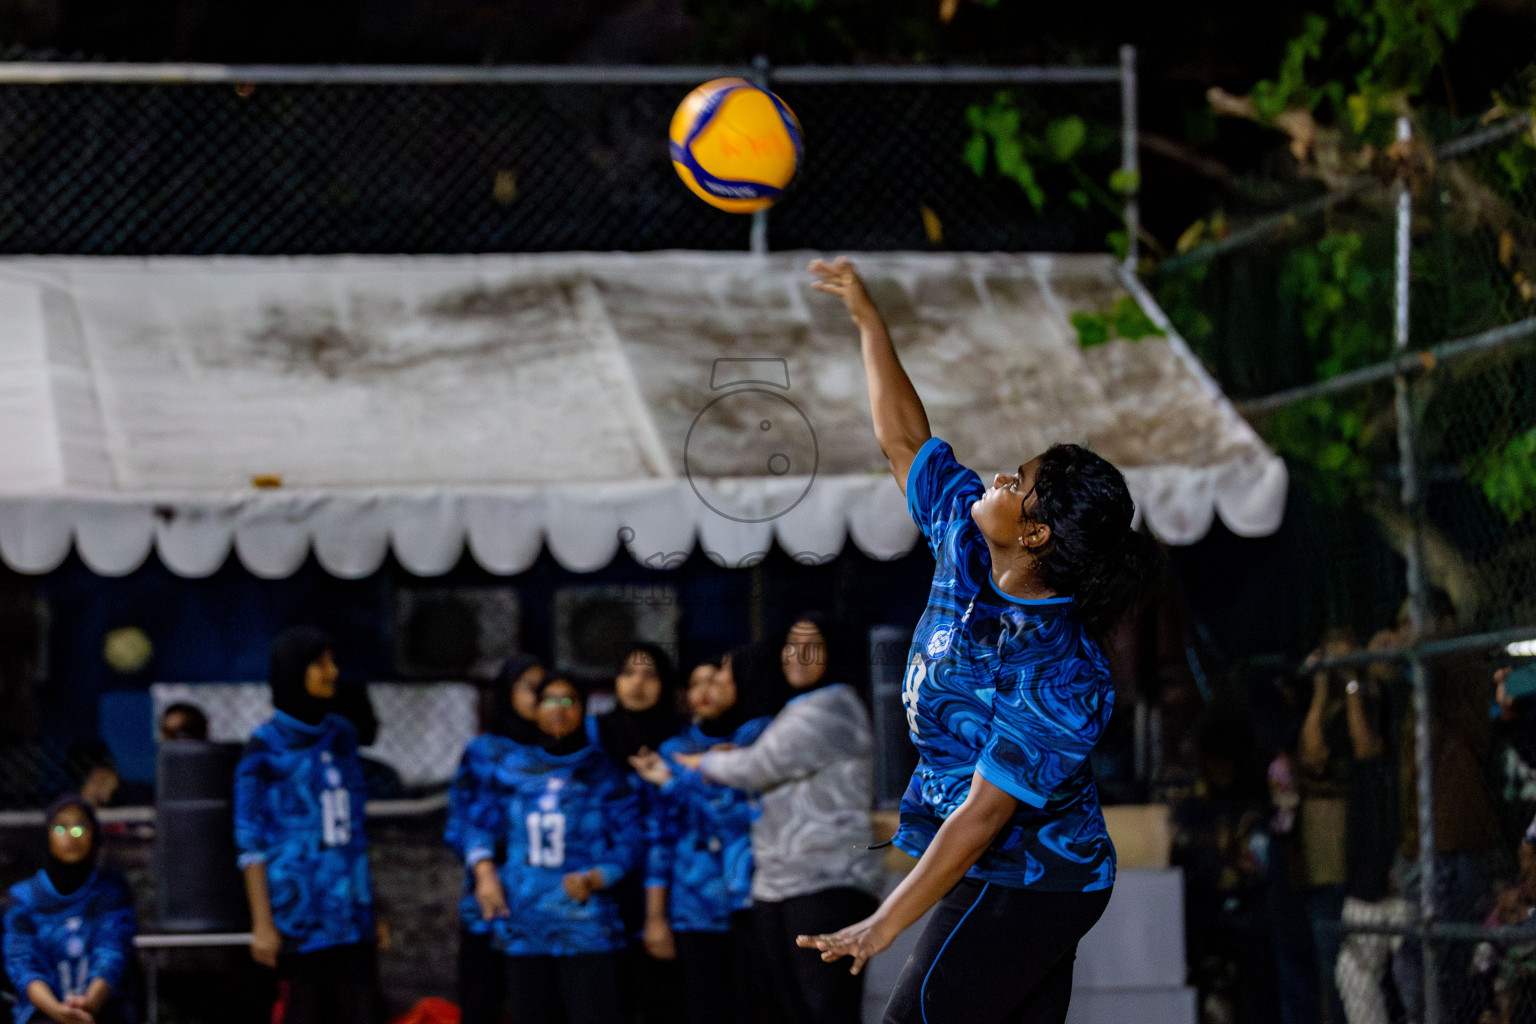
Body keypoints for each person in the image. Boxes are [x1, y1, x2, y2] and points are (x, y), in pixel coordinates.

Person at [793, 256, 1160, 1024]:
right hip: (983, 863)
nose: (993, 477)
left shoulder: (1064, 675)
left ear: (1035, 533)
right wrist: (869, 319)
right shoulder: (966, 537)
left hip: (1041, 881)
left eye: (1013, 482)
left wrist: (881, 925)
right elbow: (903, 441)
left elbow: (986, 815)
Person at [674, 616, 882, 1024]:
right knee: (793, 1009)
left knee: (826, 1008)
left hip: (827, 883)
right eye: (791, 645)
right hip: (784, 883)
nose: (798, 657)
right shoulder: (796, 709)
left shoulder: (831, 708)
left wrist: (704, 761)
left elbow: (759, 766)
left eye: (812, 646)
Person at [463, 673, 643, 1024]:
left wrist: (597, 878)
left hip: (584, 926)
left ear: (583, 710)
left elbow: (631, 839)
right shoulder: (511, 769)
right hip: (523, 924)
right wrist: (485, 874)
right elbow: (479, 824)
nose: (557, 709)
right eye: (549, 699)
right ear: (535, 709)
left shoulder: (603, 773)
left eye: (568, 700)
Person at [233, 626, 383, 1024]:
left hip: (349, 914)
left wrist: (372, 909)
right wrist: (262, 924)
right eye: (320, 663)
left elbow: (355, 832)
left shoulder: (342, 735)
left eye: (332, 661)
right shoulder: (264, 748)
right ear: (293, 671)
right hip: (297, 916)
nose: (332, 671)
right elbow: (250, 843)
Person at [630, 649, 780, 1024]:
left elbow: (737, 815)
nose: (704, 690)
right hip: (693, 908)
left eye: (715, 679)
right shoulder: (672, 750)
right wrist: (655, 918)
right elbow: (660, 840)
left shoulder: (758, 740)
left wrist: (672, 783)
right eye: (695, 682)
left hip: (754, 902)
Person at [445, 653, 545, 1024]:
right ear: (507, 693)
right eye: (529, 688)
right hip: (492, 897)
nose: (539, 698)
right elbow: (462, 821)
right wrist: (485, 870)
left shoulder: (567, 750)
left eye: (546, 690)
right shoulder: (484, 752)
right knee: (482, 998)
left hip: (549, 902)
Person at [588, 641, 683, 1024]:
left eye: (649, 674)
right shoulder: (592, 738)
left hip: (667, 886)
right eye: (629, 673)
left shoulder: (680, 743)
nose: (637, 683)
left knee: (664, 995)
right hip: (602, 883)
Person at [3, 795, 137, 1024]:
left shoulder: (111, 891)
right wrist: (58, 1012)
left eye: (80, 827)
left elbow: (112, 951)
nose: (70, 835)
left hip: (101, 1011)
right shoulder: (21, 898)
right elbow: (22, 964)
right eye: (61, 827)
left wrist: (88, 1006)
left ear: (94, 835)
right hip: (43, 1013)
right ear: (47, 836)